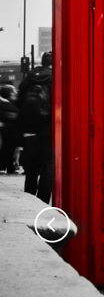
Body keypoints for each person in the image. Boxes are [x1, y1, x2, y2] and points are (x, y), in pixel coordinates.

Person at [18, 51, 53, 203]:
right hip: (48, 128)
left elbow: (19, 102)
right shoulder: (53, 78)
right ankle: (43, 201)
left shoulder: (28, 78)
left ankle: (30, 199)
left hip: (29, 129)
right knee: (48, 165)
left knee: (31, 167)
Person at [0, 85, 20, 174]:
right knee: (6, 148)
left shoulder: (11, 102)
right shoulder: (3, 103)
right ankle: (3, 166)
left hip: (11, 130)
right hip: (6, 130)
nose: (15, 93)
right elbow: (8, 116)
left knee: (11, 149)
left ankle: (10, 167)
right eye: (13, 92)